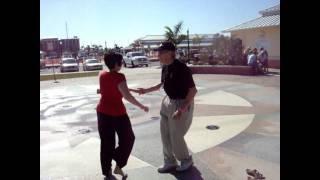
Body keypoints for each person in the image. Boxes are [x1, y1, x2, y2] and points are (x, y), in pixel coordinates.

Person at [134, 41, 197, 173]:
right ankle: (169, 161)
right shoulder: (165, 67)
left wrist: (182, 109)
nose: (159, 54)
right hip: (167, 101)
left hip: (181, 103)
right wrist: (145, 90)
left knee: (176, 135)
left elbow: (193, 90)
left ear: (171, 53)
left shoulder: (182, 68)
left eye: (162, 52)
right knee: (165, 133)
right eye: (159, 52)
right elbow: (162, 83)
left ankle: (186, 159)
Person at [96, 52, 149, 179]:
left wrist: (134, 89)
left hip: (102, 112)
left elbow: (113, 88)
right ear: (116, 64)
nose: (122, 64)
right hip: (118, 114)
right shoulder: (120, 77)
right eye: (121, 61)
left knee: (107, 143)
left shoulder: (102, 74)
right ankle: (115, 159)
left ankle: (108, 169)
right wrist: (141, 106)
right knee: (128, 139)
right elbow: (127, 96)